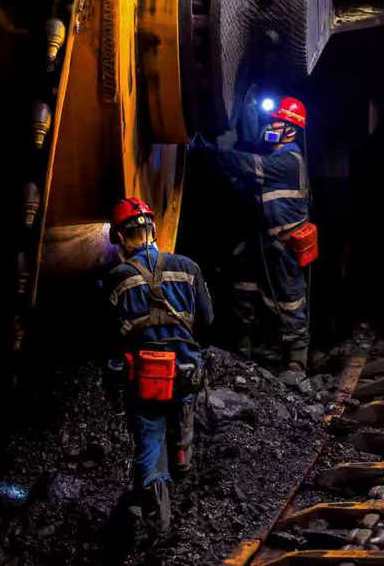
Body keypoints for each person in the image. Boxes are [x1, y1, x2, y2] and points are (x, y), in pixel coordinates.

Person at [100, 196, 213, 544]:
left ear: (120, 238)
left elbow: (108, 336)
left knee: (150, 437)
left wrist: (113, 374)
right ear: (153, 230)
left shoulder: (117, 278)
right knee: (183, 408)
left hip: (147, 379)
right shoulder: (188, 267)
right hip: (186, 372)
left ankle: (158, 515)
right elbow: (207, 319)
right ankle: (182, 454)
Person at [196, 93, 313, 374]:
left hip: (283, 245)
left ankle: (296, 363)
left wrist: (207, 152)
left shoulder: (289, 160)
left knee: (289, 299)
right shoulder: (275, 155)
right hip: (261, 241)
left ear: (291, 129)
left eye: (276, 122)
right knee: (245, 290)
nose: (269, 126)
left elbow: (248, 166)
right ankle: (244, 352)